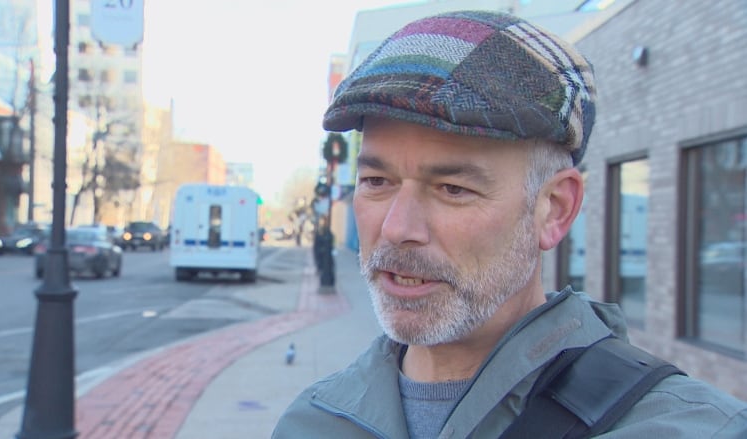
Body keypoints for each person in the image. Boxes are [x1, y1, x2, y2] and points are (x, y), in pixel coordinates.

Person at [273, 10, 747, 438]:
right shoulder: (312, 421)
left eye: (452, 189)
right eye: (377, 180)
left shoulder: (691, 428)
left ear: (555, 209)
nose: (397, 228)